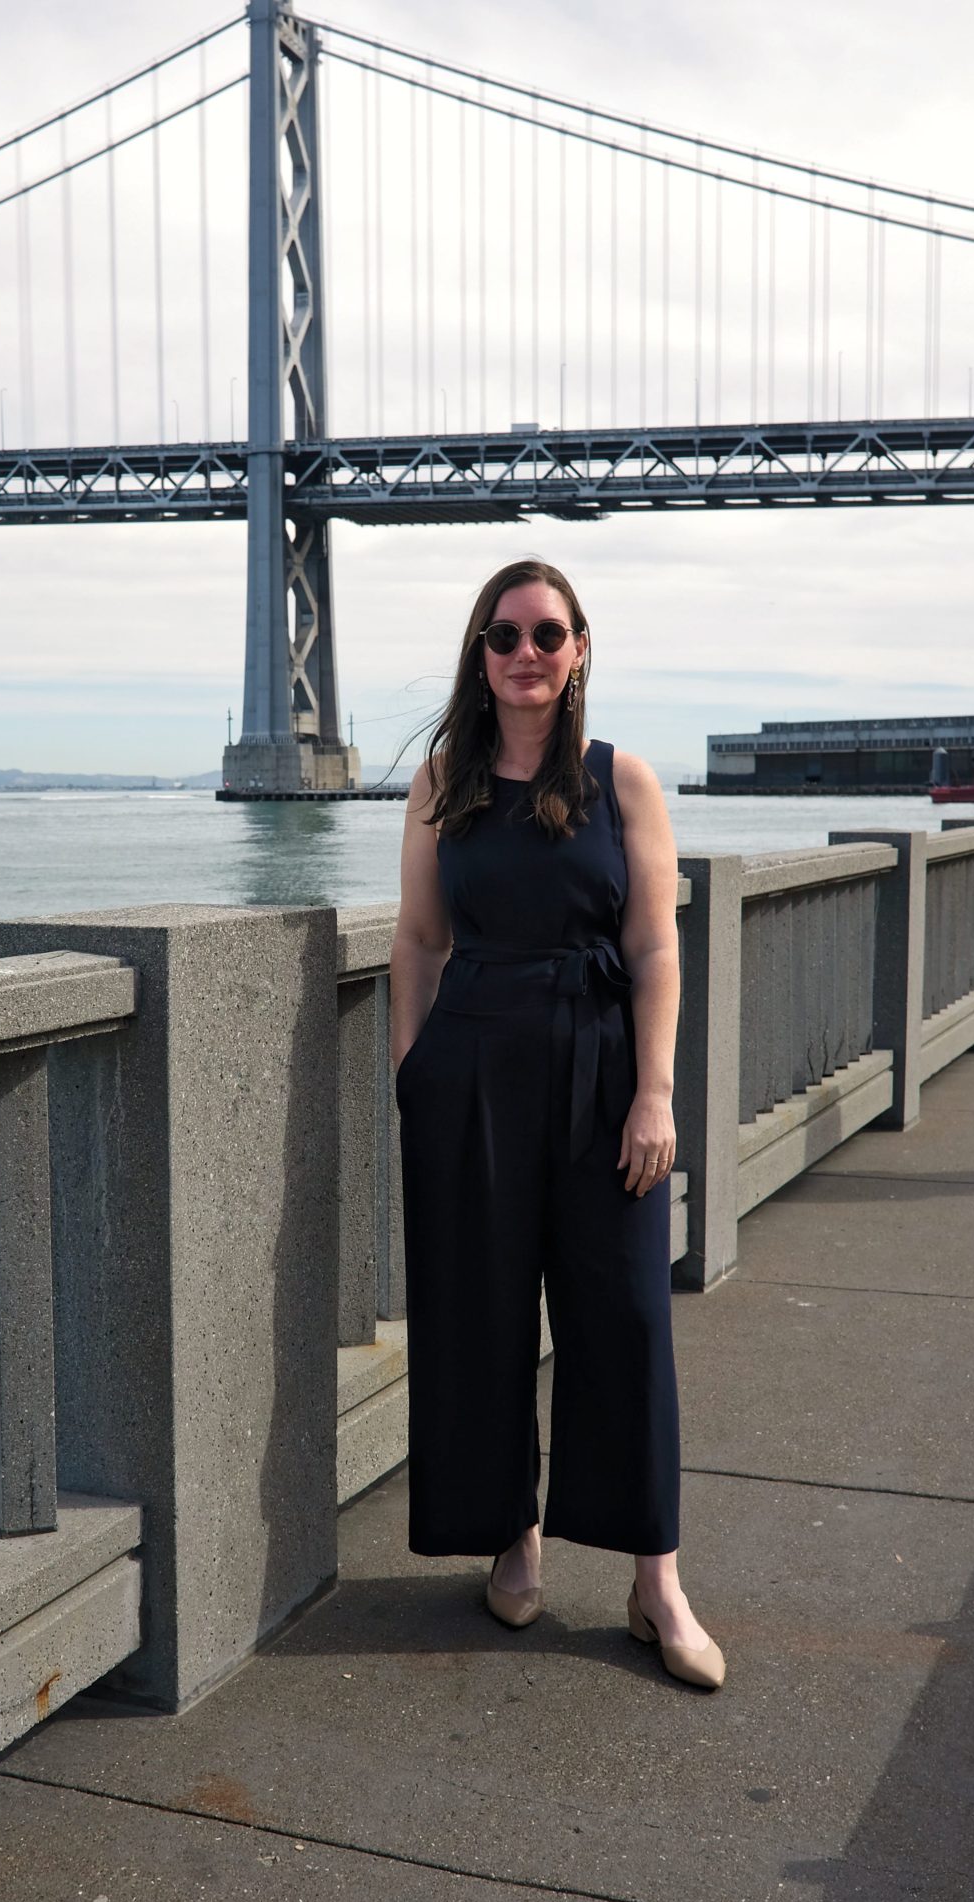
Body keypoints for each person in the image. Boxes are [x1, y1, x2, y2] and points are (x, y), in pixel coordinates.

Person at [388, 556, 725, 1691]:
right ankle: (512, 1536)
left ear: (578, 648)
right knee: (480, 1313)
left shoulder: (620, 780)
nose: (524, 654)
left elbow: (653, 945)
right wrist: (413, 1071)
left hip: (598, 1069)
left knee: (624, 1316)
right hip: (472, 1067)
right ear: (477, 657)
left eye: (546, 634)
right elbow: (420, 941)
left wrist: (655, 1090)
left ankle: (655, 1579)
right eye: (502, 636)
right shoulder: (441, 782)